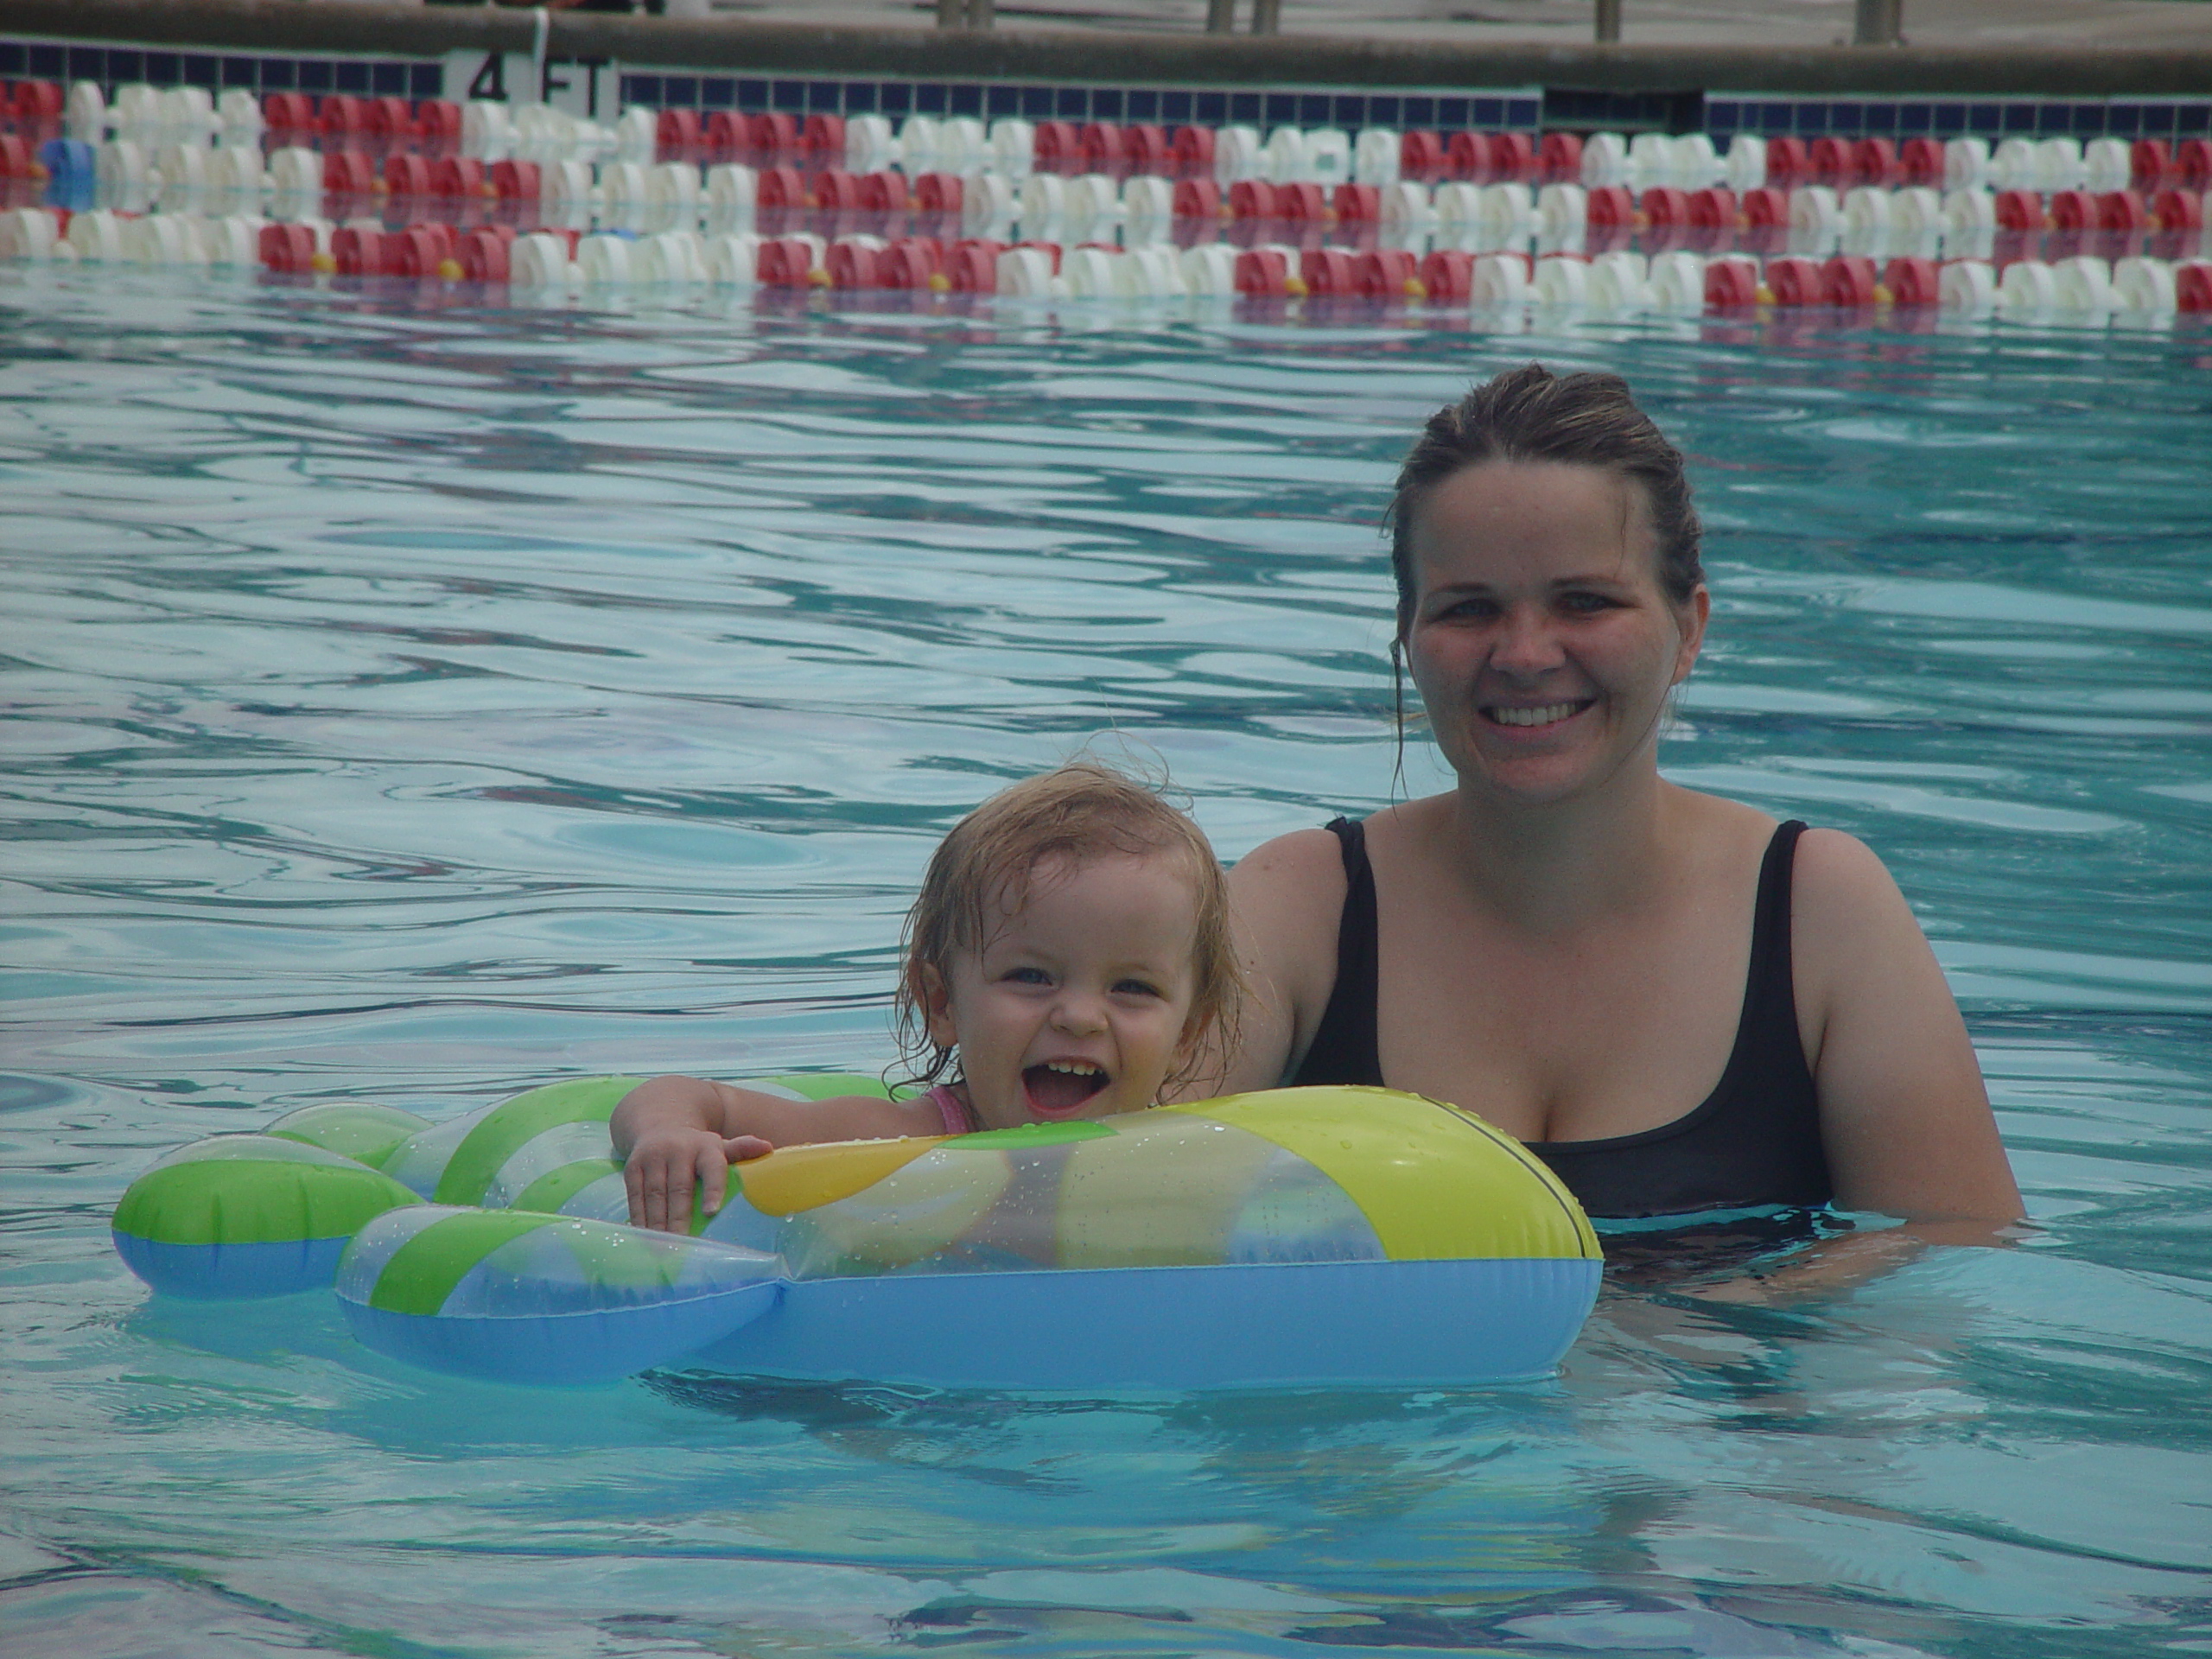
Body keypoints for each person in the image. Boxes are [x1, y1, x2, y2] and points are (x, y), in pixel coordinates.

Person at [1211, 364, 2021, 1230]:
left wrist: (1670, 1330)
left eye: (1586, 601)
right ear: (1407, 637)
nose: (1523, 654)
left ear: (1689, 631)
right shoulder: (1298, 909)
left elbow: (1949, 1254)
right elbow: (1106, 1212)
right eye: (1467, 609)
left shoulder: (1819, 911)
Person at [615, 761, 1243, 1232]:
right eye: (1031, 976)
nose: (1079, 1016)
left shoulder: (1208, 1157)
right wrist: (669, 1134)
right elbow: (691, 1096)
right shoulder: (896, 1142)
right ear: (941, 1003)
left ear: (1188, 1031)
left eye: (1132, 988)